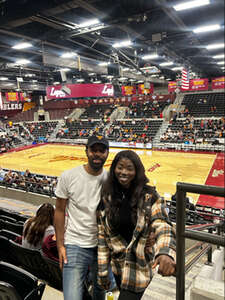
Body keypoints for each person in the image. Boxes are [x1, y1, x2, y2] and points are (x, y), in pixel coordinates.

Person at [97, 150, 176, 300]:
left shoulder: (149, 196)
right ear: (114, 169)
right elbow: (102, 238)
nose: (124, 172)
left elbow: (163, 223)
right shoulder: (107, 196)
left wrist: (165, 251)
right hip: (118, 269)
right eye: (120, 167)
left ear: (137, 171)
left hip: (138, 269)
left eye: (129, 168)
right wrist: (102, 271)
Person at [54, 135, 110, 300]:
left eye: (102, 150)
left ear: (107, 153)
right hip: (74, 245)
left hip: (102, 247)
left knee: (102, 294)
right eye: (94, 150)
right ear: (86, 151)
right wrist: (60, 245)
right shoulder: (69, 176)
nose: (97, 154)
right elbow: (59, 210)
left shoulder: (111, 180)